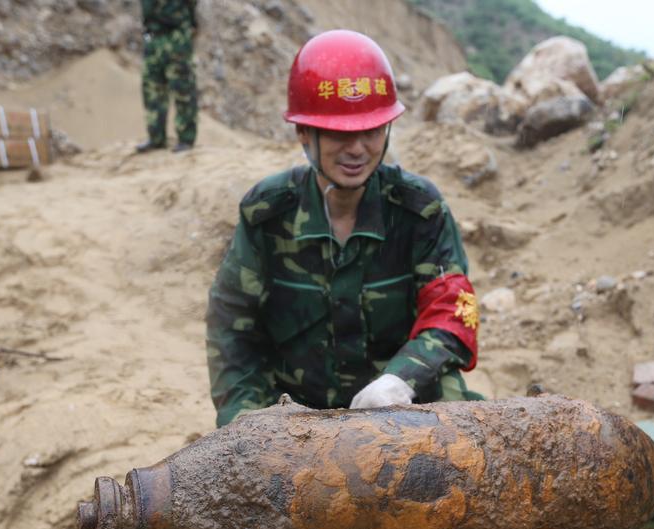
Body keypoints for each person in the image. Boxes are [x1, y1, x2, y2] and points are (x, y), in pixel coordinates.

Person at [206, 29, 481, 428]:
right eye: (339, 132)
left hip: (403, 406)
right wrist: (248, 425)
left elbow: (454, 311)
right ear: (304, 132)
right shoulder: (268, 213)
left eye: (370, 130)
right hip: (298, 419)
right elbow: (232, 328)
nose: (356, 149)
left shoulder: (420, 210)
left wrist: (400, 380)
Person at [135, 0, 198, 154]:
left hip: (176, 36)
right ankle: (156, 138)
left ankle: (186, 138)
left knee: (182, 88)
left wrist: (189, 25)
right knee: (152, 88)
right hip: (153, 36)